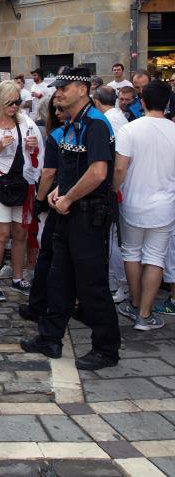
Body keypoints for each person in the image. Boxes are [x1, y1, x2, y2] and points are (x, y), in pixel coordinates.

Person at [21, 66, 121, 371]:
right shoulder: (75, 125)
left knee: (91, 284)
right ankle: (50, 336)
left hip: (87, 216)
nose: (59, 93)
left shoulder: (95, 124)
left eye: (65, 88)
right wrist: (58, 193)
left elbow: (98, 173)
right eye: (58, 88)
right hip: (69, 211)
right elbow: (75, 169)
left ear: (83, 89)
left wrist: (67, 197)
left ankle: (106, 348)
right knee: (59, 277)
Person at [113, 80, 175, 331]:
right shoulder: (173, 130)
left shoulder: (130, 129)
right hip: (164, 204)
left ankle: (136, 303)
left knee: (131, 252)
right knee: (155, 258)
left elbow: (120, 168)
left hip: (132, 201)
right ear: (168, 103)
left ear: (142, 102)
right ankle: (145, 313)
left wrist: (113, 189)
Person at [0, 80, 43, 301]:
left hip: (22, 183)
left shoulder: (25, 122)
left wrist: (32, 147)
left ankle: (17, 277)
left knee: (21, 233)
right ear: (0, 102)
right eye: (10, 103)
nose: (15, 107)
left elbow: (35, 153)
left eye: (18, 102)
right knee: (2, 234)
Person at [20, 96, 67, 321]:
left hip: (57, 198)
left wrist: (39, 201)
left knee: (50, 252)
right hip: (62, 198)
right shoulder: (63, 133)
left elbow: (47, 172)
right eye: (54, 109)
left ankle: (42, 304)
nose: (58, 112)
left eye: (61, 108)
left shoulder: (60, 135)